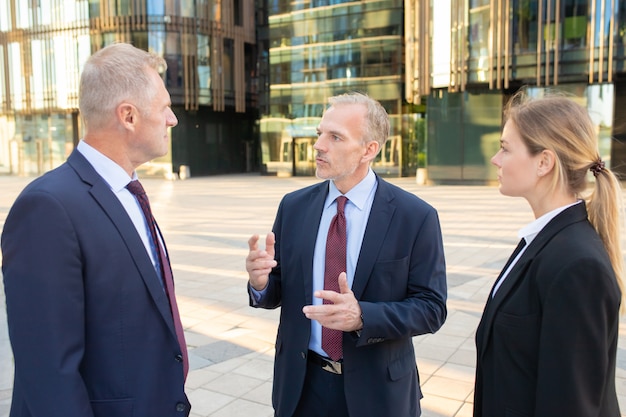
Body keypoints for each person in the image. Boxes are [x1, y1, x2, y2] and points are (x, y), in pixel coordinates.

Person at [1, 43, 191, 417]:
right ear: (129, 116)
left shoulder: (129, 192)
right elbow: (48, 372)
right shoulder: (47, 207)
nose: (173, 119)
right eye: (165, 107)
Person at [246, 92, 447, 417]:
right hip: (300, 387)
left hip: (379, 393)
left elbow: (432, 308)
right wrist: (260, 282)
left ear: (370, 150)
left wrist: (363, 316)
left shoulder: (415, 216)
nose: (319, 145)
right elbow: (277, 290)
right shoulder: (293, 207)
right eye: (320, 134)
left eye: (335, 137)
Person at [474, 91, 624, 417]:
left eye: (505, 148)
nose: (495, 159)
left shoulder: (577, 265)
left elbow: (571, 404)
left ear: (544, 162)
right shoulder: (545, 240)